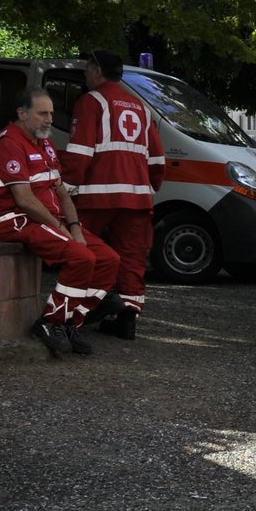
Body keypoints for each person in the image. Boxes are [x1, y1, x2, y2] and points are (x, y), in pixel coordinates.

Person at [0, 88, 119, 356]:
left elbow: (61, 192)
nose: (49, 119)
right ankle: (50, 322)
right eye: (42, 113)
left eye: (51, 113)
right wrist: (61, 229)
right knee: (82, 258)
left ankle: (70, 323)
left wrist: (75, 227)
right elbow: (24, 200)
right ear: (22, 114)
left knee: (109, 259)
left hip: (47, 220)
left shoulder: (44, 144)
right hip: (18, 221)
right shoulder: (7, 143)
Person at [60, 49, 163, 340]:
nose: (84, 75)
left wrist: (65, 189)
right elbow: (157, 158)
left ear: (95, 70)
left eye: (86, 69)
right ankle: (127, 319)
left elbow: (80, 153)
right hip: (137, 196)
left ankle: (81, 309)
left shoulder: (90, 101)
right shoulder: (141, 107)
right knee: (132, 257)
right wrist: (149, 185)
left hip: (97, 193)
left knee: (82, 250)